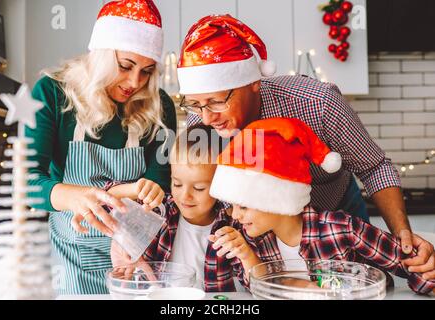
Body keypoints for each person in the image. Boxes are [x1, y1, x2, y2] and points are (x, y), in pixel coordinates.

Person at [177, 14, 435, 279]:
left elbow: (374, 167)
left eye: (217, 101)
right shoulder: (202, 124)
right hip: (261, 231)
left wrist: (402, 234)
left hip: (338, 214)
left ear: (253, 83)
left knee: (364, 283)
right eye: (196, 104)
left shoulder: (317, 103)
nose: (207, 117)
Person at [26, 0, 176, 294]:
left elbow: (161, 181)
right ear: (102, 55)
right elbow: (27, 181)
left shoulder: (159, 105)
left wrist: (142, 205)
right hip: (73, 258)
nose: (135, 82)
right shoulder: (52, 94)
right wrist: (76, 197)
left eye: (146, 71)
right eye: (125, 66)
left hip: (134, 254)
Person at [209, 117, 435, 295]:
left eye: (244, 207)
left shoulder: (342, 228)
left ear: (276, 198)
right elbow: (256, 290)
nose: (235, 216)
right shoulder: (251, 240)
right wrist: (246, 256)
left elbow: (415, 269)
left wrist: (425, 275)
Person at [108, 125, 255, 292]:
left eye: (199, 188)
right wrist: (135, 189)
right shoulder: (159, 212)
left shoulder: (232, 227)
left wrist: (246, 255)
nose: (185, 196)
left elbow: (255, 286)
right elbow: (105, 200)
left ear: (221, 186)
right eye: (177, 184)